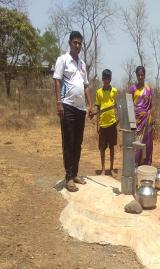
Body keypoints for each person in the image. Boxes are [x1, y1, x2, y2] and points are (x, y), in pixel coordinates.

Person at [53, 31, 92, 192]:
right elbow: (57, 80)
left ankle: (75, 173)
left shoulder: (82, 64)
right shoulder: (63, 60)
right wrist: (59, 103)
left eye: (79, 43)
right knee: (68, 142)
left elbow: (86, 85)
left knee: (78, 143)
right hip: (67, 106)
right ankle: (68, 177)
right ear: (69, 43)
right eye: (75, 42)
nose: (77, 45)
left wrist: (91, 105)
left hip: (81, 109)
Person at [92, 69, 118, 176]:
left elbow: (117, 106)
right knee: (102, 147)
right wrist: (97, 125)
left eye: (108, 78)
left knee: (112, 147)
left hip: (112, 123)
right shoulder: (99, 92)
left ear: (110, 79)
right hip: (102, 124)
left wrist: (118, 118)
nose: (106, 80)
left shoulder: (115, 91)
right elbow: (97, 109)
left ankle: (111, 168)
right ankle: (103, 168)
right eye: (104, 78)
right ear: (102, 79)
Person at [129, 66, 154, 166]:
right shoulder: (132, 89)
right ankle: (135, 165)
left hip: (147, 120)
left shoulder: (149, 89)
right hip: (135, 120)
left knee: (146, 144)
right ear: (136, 75)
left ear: (144, 75)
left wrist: (152, 120)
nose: (140, 77)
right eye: (138, 75)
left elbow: (151, 106)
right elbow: (129, 105)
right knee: (136, 143)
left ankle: (145, 165)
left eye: (142, 75)